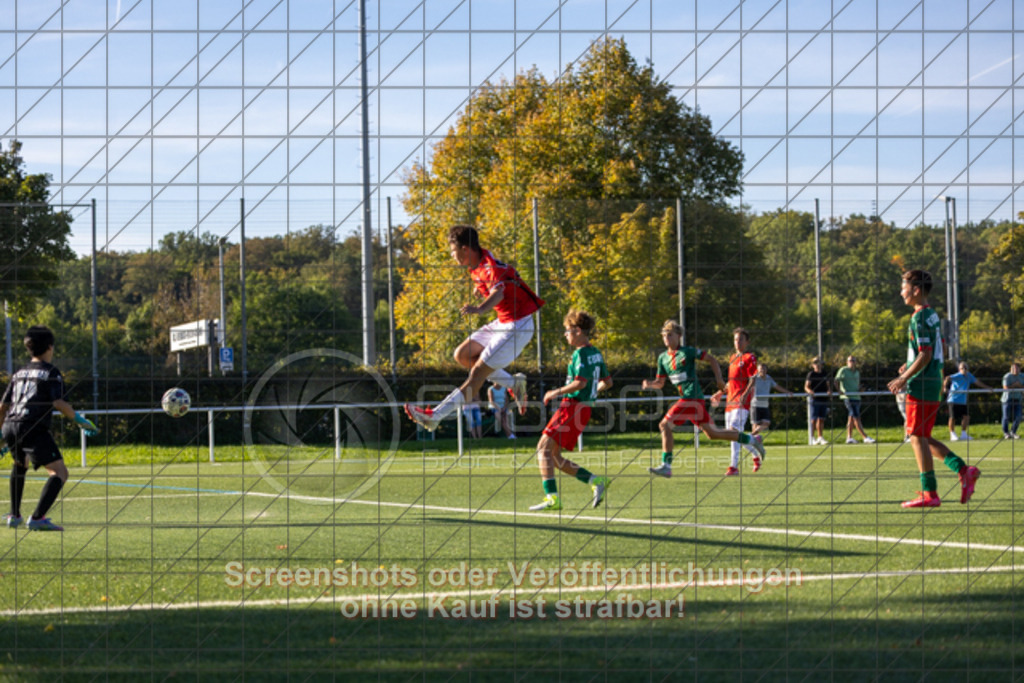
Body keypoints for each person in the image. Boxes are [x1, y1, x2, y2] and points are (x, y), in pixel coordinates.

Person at [405, 225, 542, 431]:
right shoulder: (477, 265)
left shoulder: (489, 266)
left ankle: (436, 415)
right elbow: (489, 283)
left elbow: (499, 293)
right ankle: (514, 384)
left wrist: (480, 308)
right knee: (462, 355)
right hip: (503, 322)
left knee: (477, 374)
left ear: (466, 249)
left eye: (453, 251)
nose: (452, 255)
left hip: (518, 326)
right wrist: (480, 290)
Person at [887, 270, 979, 508]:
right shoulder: (932, 315)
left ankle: (930, 494)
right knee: (923, 436)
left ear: (916, 290)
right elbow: (937, 350)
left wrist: (905, 377)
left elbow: (925, 354)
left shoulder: (918, 318)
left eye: (904, 287)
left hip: (921, 384)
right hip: (933, 383)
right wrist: (909, 365)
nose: (901, 292)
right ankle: (963, 470)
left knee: (916, 436)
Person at [0, 326, 99, 531]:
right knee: (59, 472)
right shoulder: (50, 372)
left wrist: (1, 434)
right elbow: (59, 403)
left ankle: (14, 515)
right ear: (50, 347)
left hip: (11, 425)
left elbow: (2, 406)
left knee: (20, 465)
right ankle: (37, 518)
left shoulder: (18, 373)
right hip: (32, 427)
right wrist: (81, 421)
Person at [642, 320, 764, 479]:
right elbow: (660, 383)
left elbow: (711, 359)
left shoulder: (688, 352)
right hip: (690, 400)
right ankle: (751, 439)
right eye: (664, 335)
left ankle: (667, 465)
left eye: (670, 335)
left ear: (678, 336)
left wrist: (719, 381)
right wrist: (650, 384)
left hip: (691, 398)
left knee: (664, 424)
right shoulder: (662, 358)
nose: (666, 338)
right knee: (713, 433)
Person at [528, 310, 611, 511]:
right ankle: (595, 480)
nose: (566, 335)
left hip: (572, 407)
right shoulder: (596, 353)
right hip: (582, 409)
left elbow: (580, 383)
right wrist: (593, 394)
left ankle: (552, 498)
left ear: (578, 330)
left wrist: (554, 392)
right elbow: (607, 382)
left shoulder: (580, 353)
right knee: (554, 456)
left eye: (568, 331)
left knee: (543, 449)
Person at [711, 327, 762, 474]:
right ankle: (755, 451)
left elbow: (753, 378)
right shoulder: (732, 358)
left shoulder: (749, 357)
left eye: (740, 339)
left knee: (734, 430)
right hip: (730, 402)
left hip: (742, 401)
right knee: (734, 435)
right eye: (735, 339)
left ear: (747, 342)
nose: (737, 342)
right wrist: (719, 393)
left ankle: (733, 467)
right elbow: (730, 383)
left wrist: (746, 394)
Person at [943, 361, 992, 441]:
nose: (964, 369)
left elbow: (978, 382)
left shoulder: (969, 376)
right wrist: (945, 387)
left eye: (965, 368)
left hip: (963, 401)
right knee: (953, 417)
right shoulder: (957, 375)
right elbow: (947, 378)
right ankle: (952, 434)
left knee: (966, 417)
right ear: (959, 369)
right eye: (962, 368)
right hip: (953, 399)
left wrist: (987, 388)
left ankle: (963, 434)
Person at [835, 355, 875, 444]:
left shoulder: (857, 372)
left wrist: (860, 389)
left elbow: (857, 385)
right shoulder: (843, 370)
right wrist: (839, 390)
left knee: (851, 417)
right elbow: (836, 380)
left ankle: (849, 437)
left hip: (857, 397)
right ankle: (865, 437)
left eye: (853, 361)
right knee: (856, 417)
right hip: (848, 397)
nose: (852, 362)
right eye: (850, 360)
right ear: (847, 362)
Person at [751, 363, 794, 438]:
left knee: (766, 423)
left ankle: (750, 437)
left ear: (766, 370)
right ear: (757, 370)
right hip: (755, 404)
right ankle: (753, 440)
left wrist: (788, 392)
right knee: (755, 424)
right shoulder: (754, 378)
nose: (762, 370)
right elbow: (747, 388)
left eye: (764, 369)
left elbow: (777, 387)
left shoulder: (769, 378)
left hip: (765, 404)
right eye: (761, 369)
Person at [804, 358, 832, 445]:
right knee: (813, 419)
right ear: (813, 365)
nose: (818, 365)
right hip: (815, 399)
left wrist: (829, 391)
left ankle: (820, 437)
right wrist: (811, 392)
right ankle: (812, 437)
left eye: (819, 363)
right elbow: (806, 387)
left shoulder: (824, 373)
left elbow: (828, 385)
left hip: (823, 398)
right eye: (816, 363)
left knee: (822, 419)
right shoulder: (811, 374)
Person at [1001, 362, 1023, 439]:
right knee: (1006, 417)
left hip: (1018, 399)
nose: (1015, 370)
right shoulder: (1007, 376)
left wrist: (1019, 385)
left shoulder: (1022, 376)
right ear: (1010, 369)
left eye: (1017, 368)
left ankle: (1013, 432)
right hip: (1007, 400)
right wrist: (1014, 385)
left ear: (1020, 369)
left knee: (1019, 417)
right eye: (1013, 368)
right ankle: (1006, 433)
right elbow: (1005, 388)